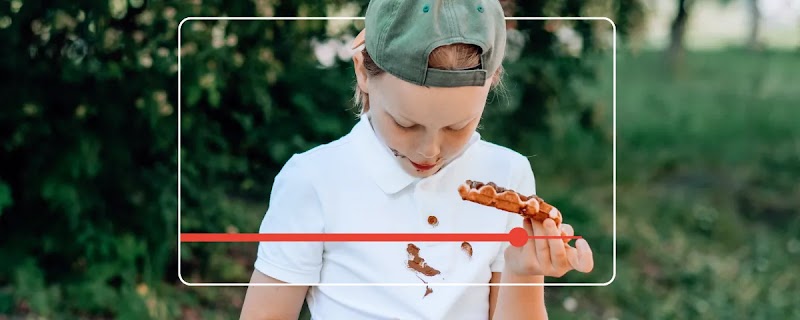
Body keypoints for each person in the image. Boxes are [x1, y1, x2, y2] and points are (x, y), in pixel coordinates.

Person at [240, 0, 594, 319]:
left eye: (457, 127)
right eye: (406, 124)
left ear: (493, 81)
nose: (430, 151)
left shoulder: (508, 175)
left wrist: (523, 272)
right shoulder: (314, 180)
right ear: (363, 71)